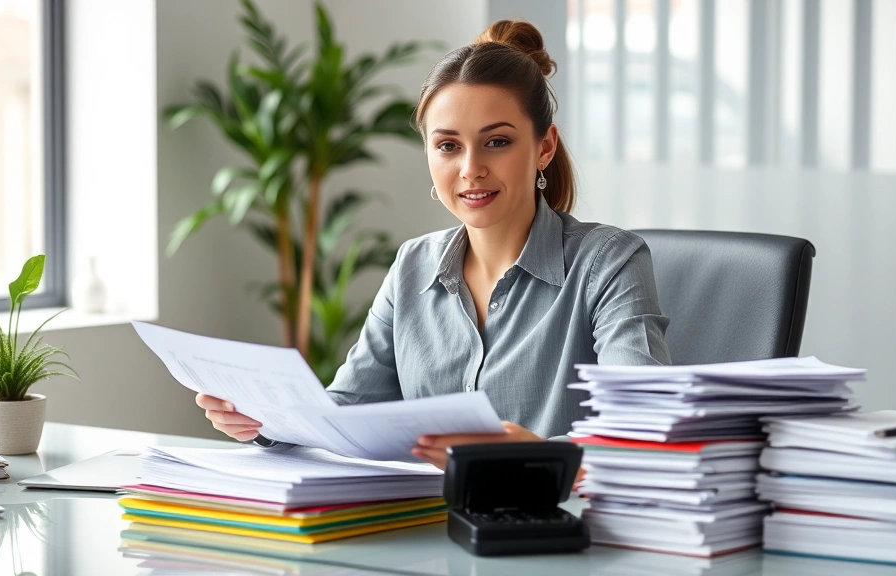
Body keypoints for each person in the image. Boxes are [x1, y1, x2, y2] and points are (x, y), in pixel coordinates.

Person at [197, 19, 671, 470]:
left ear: (544, 147)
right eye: (448, 146)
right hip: (425, 530)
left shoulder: (608, 261)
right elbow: (345, 410)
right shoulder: (413, 265)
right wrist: (263, 419)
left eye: (498, 142)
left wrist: (544, 453)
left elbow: (640, 423)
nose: (470, 169)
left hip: (557, 528)